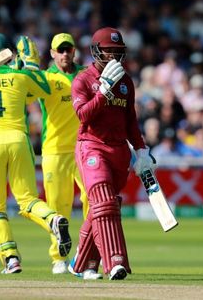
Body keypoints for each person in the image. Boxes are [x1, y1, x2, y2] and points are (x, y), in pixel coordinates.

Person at [0, 32, 72, 274]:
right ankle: (52, 219)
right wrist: (29, 64)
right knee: (27, 201)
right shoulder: (21, 77)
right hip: (18, 141)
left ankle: (10, 258)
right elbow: (43, 88)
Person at [68, 27, 156, 280]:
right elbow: (83, 115)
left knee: (102, 206)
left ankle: (81, 263)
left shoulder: (126, 82)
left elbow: (131, 121)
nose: (114, 57)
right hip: (92, 146)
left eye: (119, 52)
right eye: (109, 52)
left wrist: (141, 150)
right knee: (105, 203)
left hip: (119, 152)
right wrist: (103, 90)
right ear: (96, 51)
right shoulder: (83, 80)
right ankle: (115, 262)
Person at [17, 33, 88, 274]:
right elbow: (24, 96)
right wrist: (23, 70)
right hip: (54, 151)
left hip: (83, 148)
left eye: (69, 49)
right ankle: (59, 258)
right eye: (61, 50)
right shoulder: (45, 79)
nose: (65, 54)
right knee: (58, 208)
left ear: (74, 51)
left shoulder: (86, 75)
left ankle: (87, 252)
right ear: (52, 53)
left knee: (93, 199)